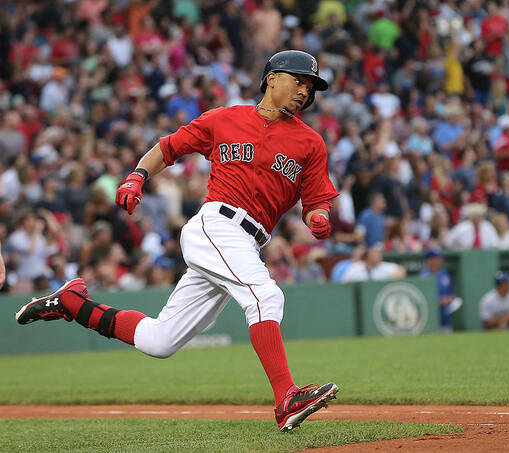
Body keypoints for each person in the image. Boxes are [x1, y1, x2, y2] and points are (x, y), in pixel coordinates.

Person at [15, 50, 339, 432]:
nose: (305, 90)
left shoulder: (311, 143)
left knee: (160, 340)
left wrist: (318, 216)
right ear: (271, 79)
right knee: (265, 295)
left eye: (311, 86)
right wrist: (137, 176)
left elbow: (317, 198)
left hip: (247, 242)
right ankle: (286, 397)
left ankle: (72, 304)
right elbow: (168, 148)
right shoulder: (225, 118)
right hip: (215, 225)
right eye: (298, 80)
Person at [419, 249, 461, 332]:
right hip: (430, 318)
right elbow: (423, 298)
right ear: (430, 260)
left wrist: (449, 300)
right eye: (437, 258)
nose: (440, 260)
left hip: (445, 316)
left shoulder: (444, 274)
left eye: (440, 258)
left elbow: (452, 294)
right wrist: (438, 301)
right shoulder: (423, 276)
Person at [342, 246, 406, 282]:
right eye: (375, 254)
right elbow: (345, 282)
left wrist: (386, 282)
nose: (379, 256)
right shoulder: (356, 267)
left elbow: (401, 270)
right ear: (368, 257)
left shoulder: (383, 266)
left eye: (378, 254)